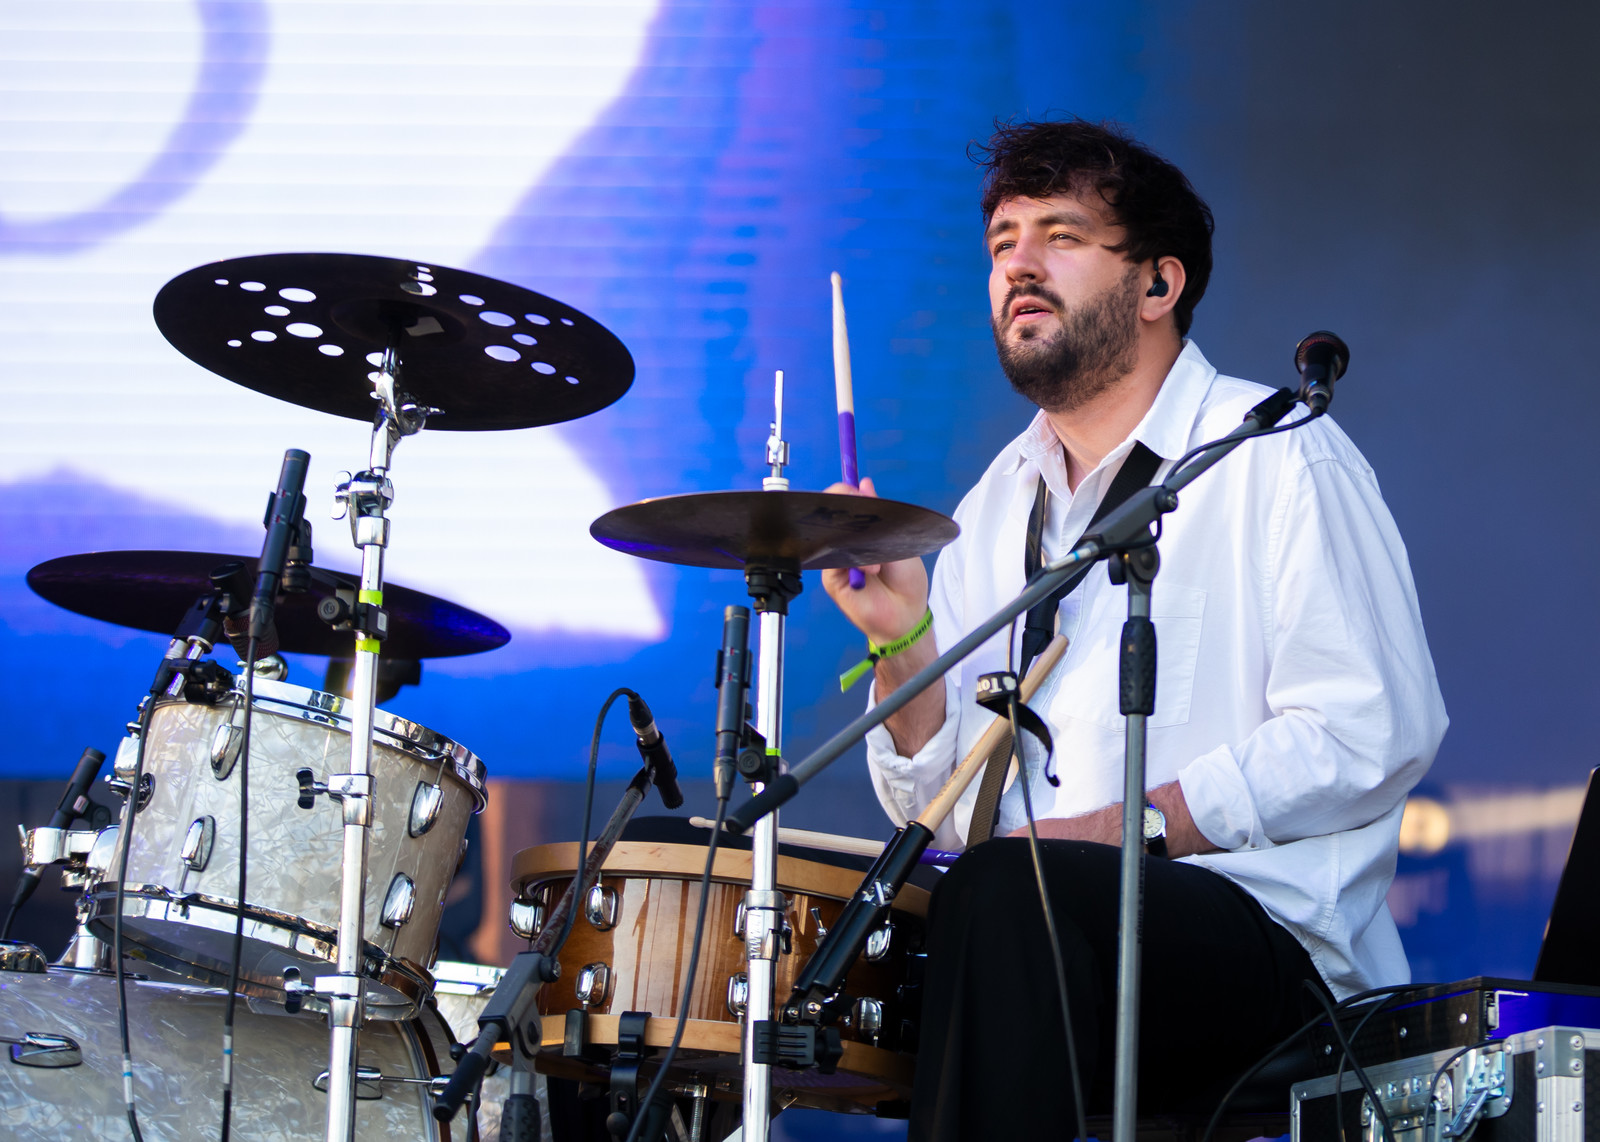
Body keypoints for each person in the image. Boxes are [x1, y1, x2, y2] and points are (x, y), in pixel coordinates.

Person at [821, 119, 1447, 1140]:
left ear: (1158, 284)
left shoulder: (1280, 454)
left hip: (1272, 948)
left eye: (1060, 236)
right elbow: (954, 817)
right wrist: (904, 649)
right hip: (1040, 930)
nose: (1018, 264)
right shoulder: (991, 509)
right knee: (825, 933)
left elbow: (1371, 730)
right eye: (1001, 242)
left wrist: (1134, 828)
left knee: (1007, 894)